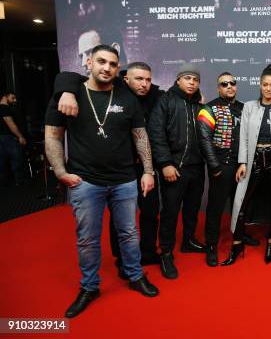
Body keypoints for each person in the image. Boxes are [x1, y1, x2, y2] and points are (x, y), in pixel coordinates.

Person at [45, 44, 159, 318]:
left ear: (119, 69)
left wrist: (148, 171)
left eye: (113, 64)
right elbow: (53, 135)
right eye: (101, 62)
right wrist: (60, 172)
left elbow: (140, 136)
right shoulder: (68, 95)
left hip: (124, 180)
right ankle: (90, 286)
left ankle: (134, 275)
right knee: (87, 239)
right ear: (88, 63)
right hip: (86, 181)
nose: (107, 68)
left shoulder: (127, 96)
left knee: (129, 234)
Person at [52, 62, 164, 272]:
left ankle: (147, 253)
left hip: (146, 166)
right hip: (120, 170)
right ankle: (121, 260)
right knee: (120, 220)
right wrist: (66, 91)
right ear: (125, 79)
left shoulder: (157, 96)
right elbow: (69, 77)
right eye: (139, 79)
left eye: (148, 79)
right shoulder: (114, 90)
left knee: (149, 212)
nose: (145, 84)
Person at [222, 64, 271, 265]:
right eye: (265, 84)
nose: (268, 88)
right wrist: (242, 162)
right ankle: (236, 245)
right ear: (260, 85)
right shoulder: (249, 107)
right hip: (252, 162)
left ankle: (270, 243)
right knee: (241, 203)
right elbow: (243, 137)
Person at [148, 64, 213, 279]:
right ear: (178, 81)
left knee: (192, 209)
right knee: (170, 213)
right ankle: (165, 252)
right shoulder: (165, 101)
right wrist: (165, 163)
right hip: (174, 169)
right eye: (187, 78)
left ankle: (189, 241)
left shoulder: (199, 106)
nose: (192, 82)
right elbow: (156, 134)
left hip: (196, 168)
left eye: (195, 79)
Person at [196, 72, 260, 267]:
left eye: (233, 83)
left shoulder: (244, 108)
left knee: (240, 205)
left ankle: (240, 236)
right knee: (216, 208)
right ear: (218, 88)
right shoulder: (209, 109)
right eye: (225, 84)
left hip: (242, 165)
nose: (229, 87)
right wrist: (215, 167)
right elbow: (204, 140)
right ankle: (212, 246)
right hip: (222, 166)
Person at [0, 91, 26, 186]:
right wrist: (20, 136)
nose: (15, 100)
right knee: (17, 158)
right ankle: (19, 181)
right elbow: (10, 123)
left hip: (2, 137)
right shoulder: (5, 108)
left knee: (2, 160)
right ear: (5, 97)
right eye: (12, 98)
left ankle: (5, 184)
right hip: (7, 137)